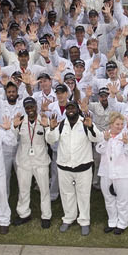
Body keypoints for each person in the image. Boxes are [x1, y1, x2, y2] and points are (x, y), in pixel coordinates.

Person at [47, 99, 97, 235]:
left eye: (73, 108)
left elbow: (96, 138)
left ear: (77, 109)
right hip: (64, 167)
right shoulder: (61, 124)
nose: (70, 110)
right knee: (67, 194)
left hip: (84, 167)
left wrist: (91, 127)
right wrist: (51, 128)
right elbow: (51, 140)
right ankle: (68, 218)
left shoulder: (85, 122)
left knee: (84, 195)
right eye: (68, 108)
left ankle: (84, 220)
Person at [12, 98, 54, 227]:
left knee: (44, 190)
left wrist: (47, 127)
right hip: (24, 161)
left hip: (41, 161)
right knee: (23, 190)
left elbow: (51, 140)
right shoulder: (20, 121)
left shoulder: (43, 120)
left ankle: (46, 216)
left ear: (36, 106)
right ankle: (24, 214)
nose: (30, 109)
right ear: (24, 108)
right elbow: (12, 140)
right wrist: (13, 127)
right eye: (27, 107)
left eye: (32, 106)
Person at [98, 113, 128, 234]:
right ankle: (112, 221)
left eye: (121, 124)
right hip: (106, 172)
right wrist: (105, 140)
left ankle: (122, 223)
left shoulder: (127, 135)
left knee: (123, 200)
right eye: (117, 124)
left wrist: (125, 143)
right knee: (109, 199)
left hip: (123, 173)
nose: (120, 127)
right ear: (111, 124)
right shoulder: (104, 135)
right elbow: (99, 149)